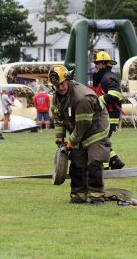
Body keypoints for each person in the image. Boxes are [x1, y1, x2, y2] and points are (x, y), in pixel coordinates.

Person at [49, 65, 111, 204]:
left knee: (94, 161)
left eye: (62, 84)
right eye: (57, 86)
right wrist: (59, 138)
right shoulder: (57, 97)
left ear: (68, 80)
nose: (60, 88)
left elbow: (83, 125)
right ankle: (78, 195)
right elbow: (58, 118)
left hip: (95, 131)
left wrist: (71, 142)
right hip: (78, 131)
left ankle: (96, 196)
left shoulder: (81, 97)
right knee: (77, 163)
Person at [91, 51, 125, 169]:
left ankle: (104, 165)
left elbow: (116, 94)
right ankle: (115, 161)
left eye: (97, 63)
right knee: (100, 139)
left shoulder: (109, 77)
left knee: (99, 139)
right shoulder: (102, 77)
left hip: (110, 115)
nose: (95, 66)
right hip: (104, 115)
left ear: (104, 64)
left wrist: (99, 100)